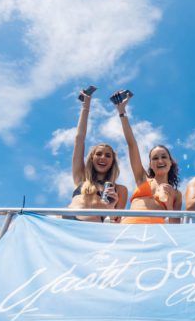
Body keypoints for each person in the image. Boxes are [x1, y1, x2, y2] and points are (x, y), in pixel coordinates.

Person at [115, 95, 182, 224]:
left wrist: (169, 206)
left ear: (170, 162)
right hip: (129, 228)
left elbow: (175, 225)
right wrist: (122, 112)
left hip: (156, 233)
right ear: (150, 164)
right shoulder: (142, 179)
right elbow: (132, 144)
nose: (160, 161)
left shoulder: (176, 194)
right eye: (155, 158)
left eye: (164, 157)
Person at [68, 89, 128, 221]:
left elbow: (116, 221)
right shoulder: (81, 178)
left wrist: (111, 207)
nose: (103, 158)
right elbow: (79, 139)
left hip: (92, 230)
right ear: (92, 158)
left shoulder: (119, 189)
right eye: (99, 154)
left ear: (113, 162)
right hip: (66, 223)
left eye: (108, 156)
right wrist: (85, 106)